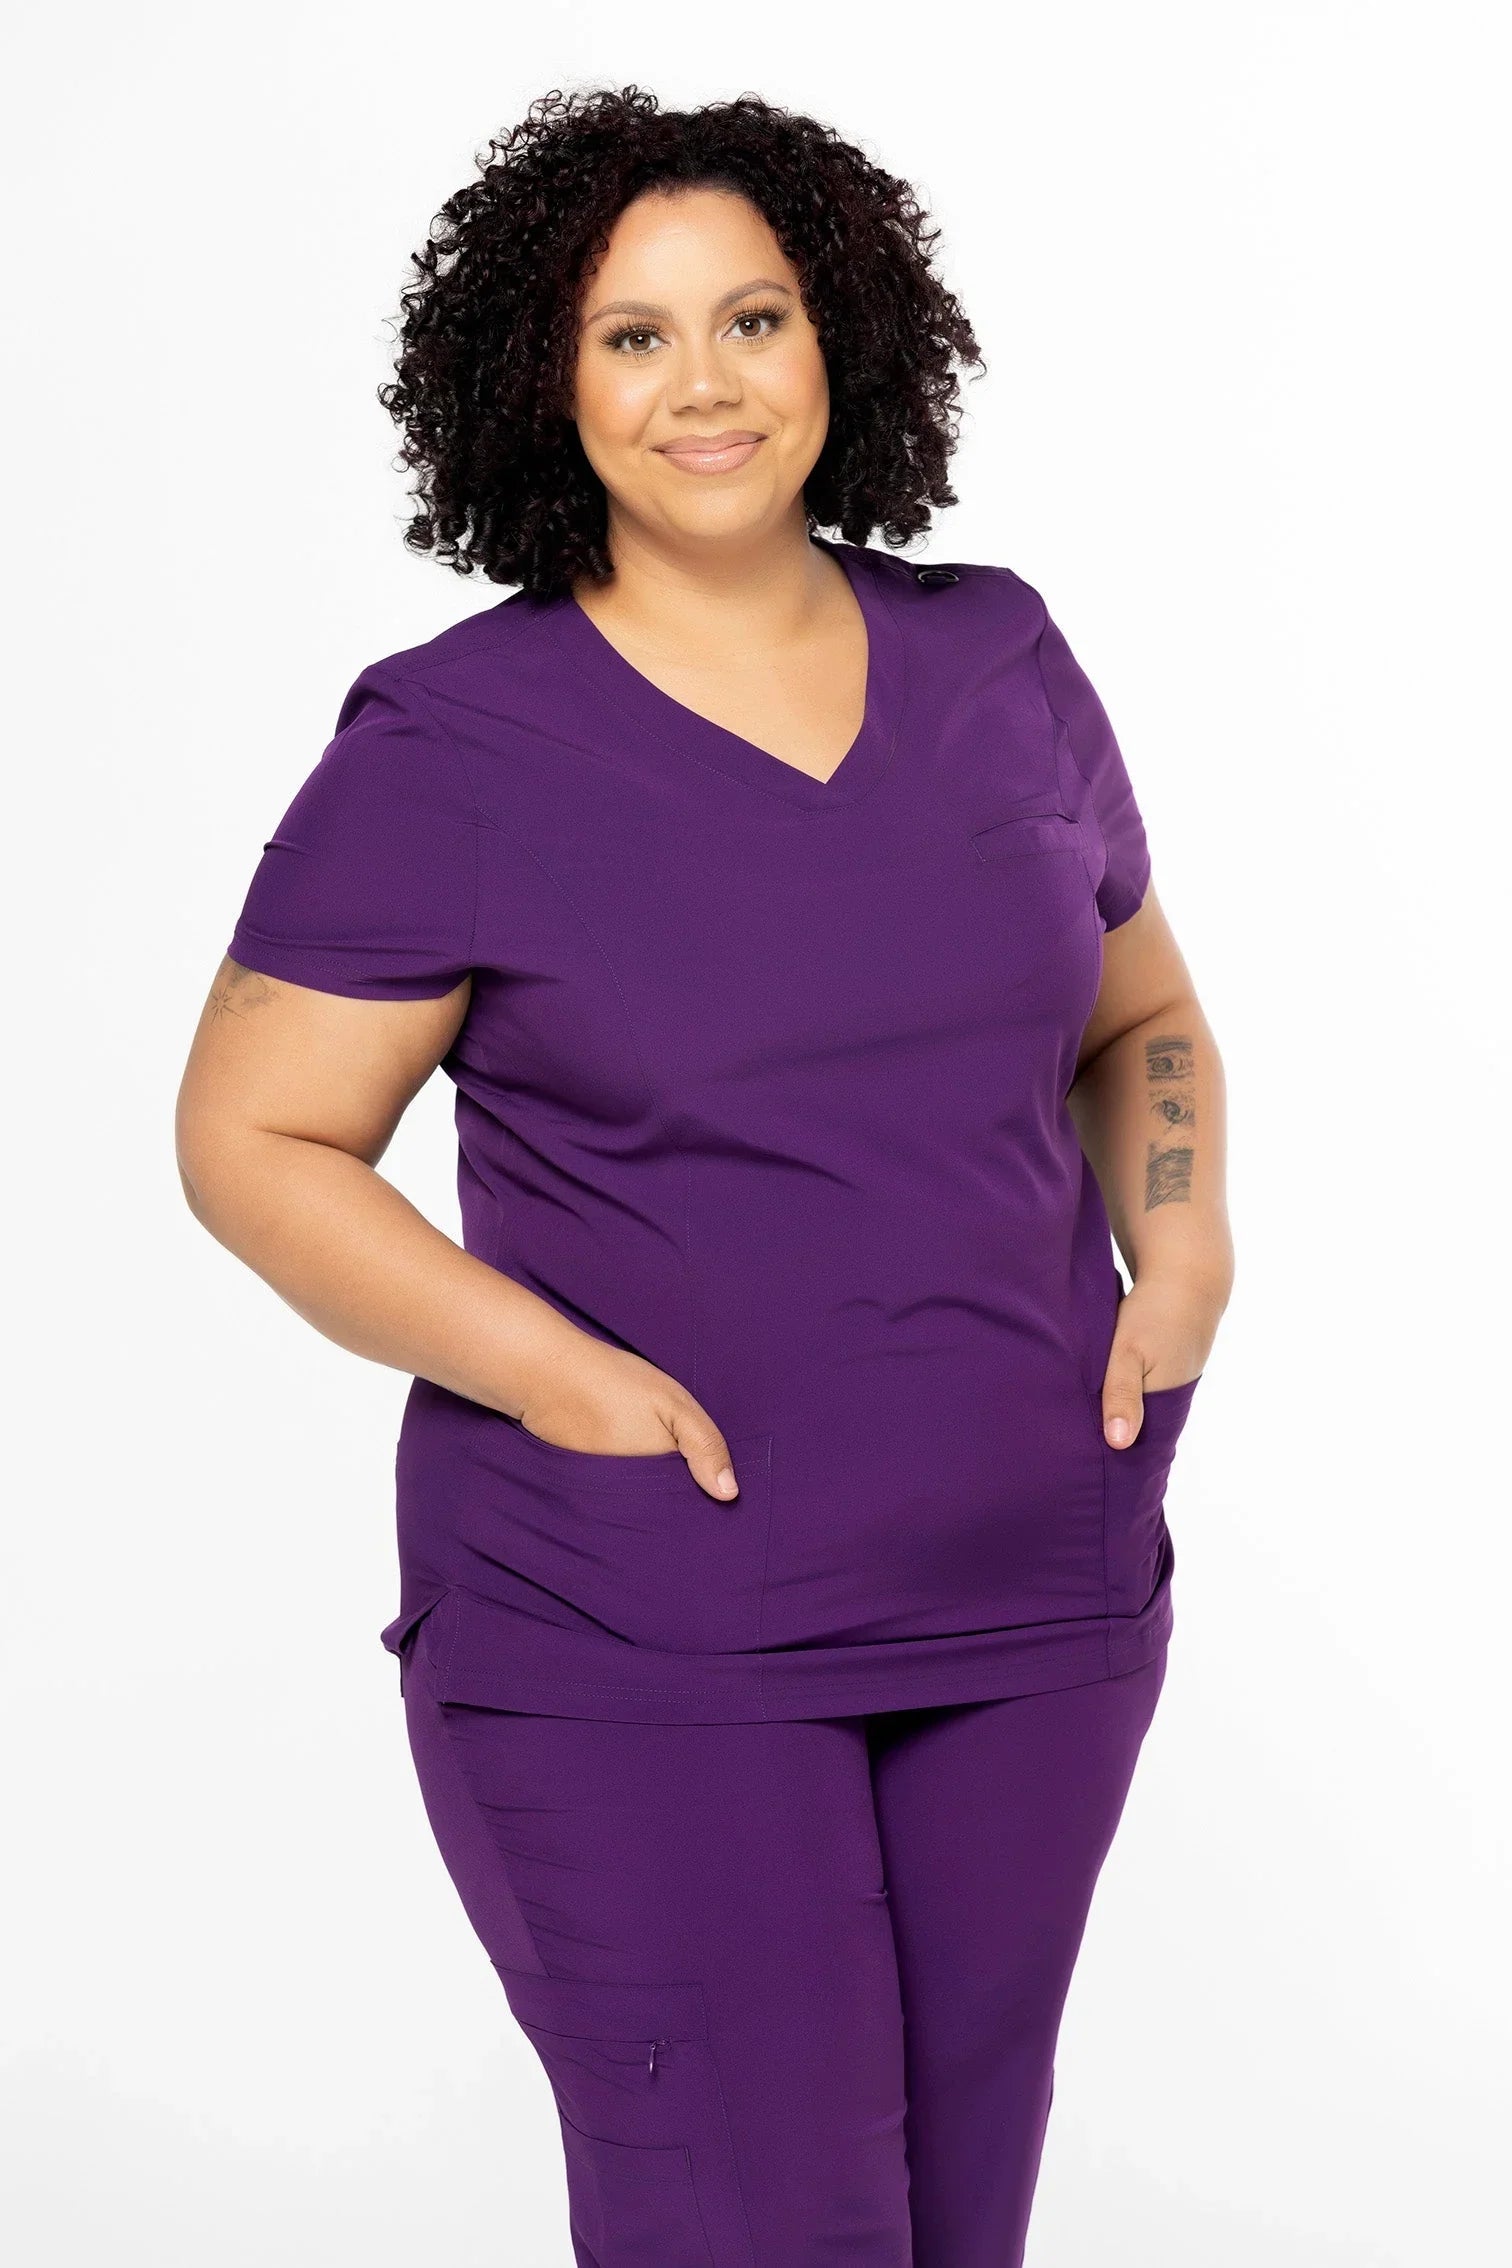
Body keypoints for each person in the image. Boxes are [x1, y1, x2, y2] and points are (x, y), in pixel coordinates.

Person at [176, 84, 1234, 2268]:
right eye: (633, 336)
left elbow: (1139, 1017)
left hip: (1033, 1592)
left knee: (958, 2227)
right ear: (542, 386)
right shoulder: (454, 745)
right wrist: (553, 1374)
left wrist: (1186, 1245)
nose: (707, 383)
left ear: (838, 333)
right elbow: (253, 1135)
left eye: (749, 317)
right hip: (639, 1617)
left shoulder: (998, 660)